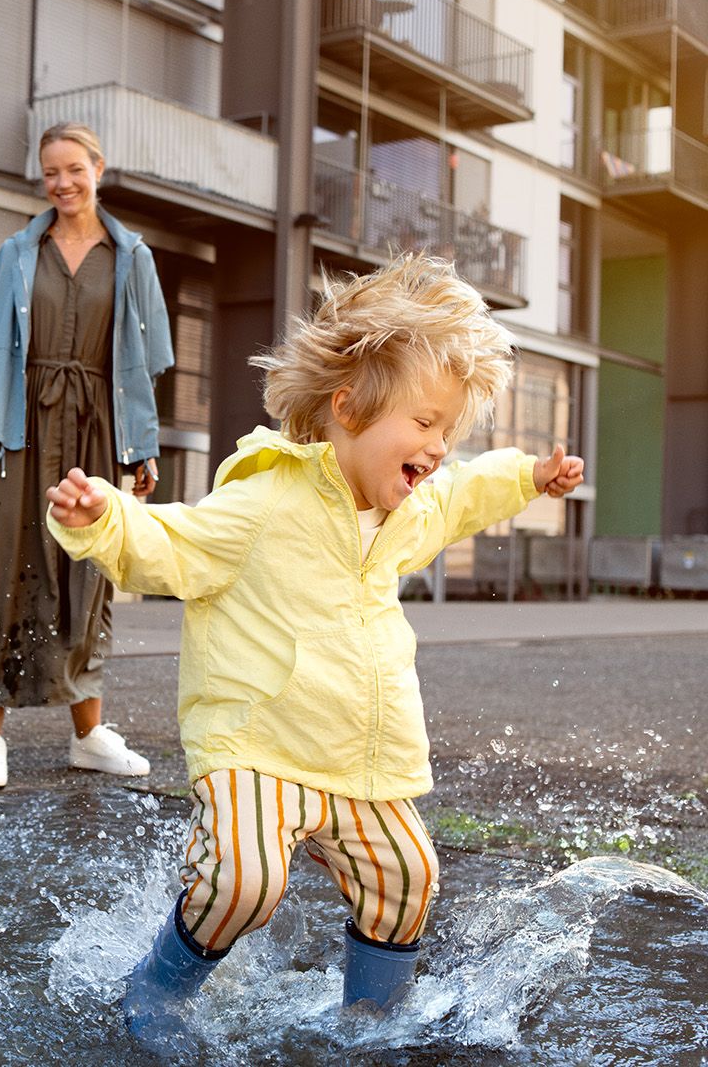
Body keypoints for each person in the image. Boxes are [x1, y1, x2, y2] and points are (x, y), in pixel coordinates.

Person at [43, 254, 586, 1040]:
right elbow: (172, 542)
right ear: (350, 407)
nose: (438, 447)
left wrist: (528, 476)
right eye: (426, 423)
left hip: (361, 755)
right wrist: (102, 517)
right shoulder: (264, 502)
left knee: (409, 875)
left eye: (450, 430)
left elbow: (465, 494)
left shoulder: (408, 510)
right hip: (257, 742)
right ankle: (156, 991)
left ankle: (371, 1025)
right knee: (242, 881)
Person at [0, 123, 173, 789]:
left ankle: (89, 734)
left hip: (95, 428)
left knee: (87, 574)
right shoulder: (17, 252)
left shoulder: (133, 257)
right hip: (16, 426)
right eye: (50, 173)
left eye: (74, 169)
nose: (63, 183)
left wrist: (142, 445)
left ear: (100, 167)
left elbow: (143, 365)